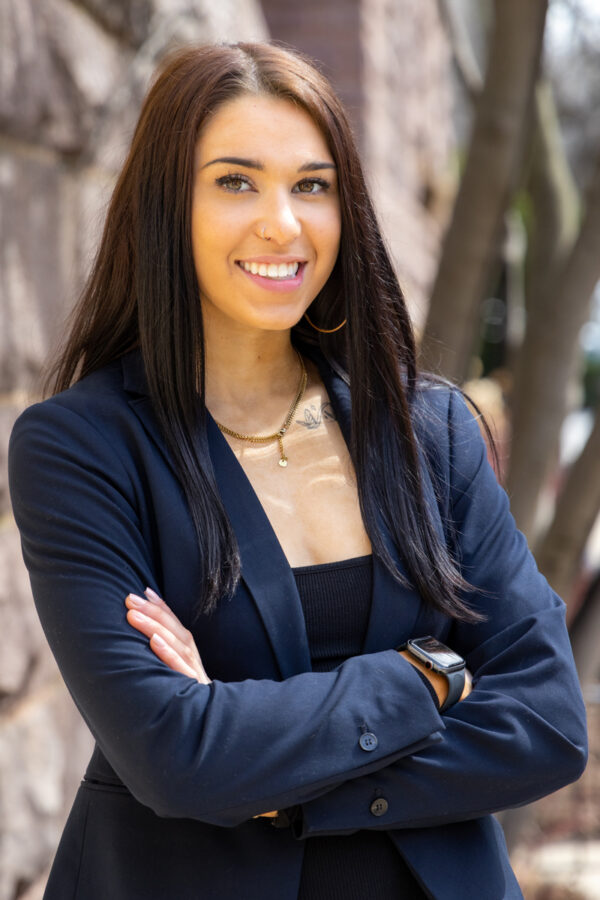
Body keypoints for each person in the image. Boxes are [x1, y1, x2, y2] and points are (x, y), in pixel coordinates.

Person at [8, 42, 587, 900]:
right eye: (236, 181)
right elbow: (174, 757)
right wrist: (427, 676)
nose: (283, 222)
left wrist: (271, 786)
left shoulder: (432, 432)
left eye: (311, 185)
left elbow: (546, 722)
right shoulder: (80, 449)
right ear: (168, 206)